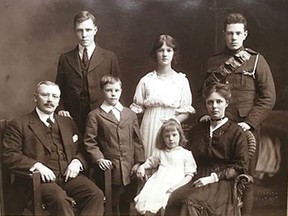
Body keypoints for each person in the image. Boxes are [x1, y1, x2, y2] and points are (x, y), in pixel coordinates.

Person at [197, 13, 276, 215]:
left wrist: (249, 123)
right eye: (230, 33)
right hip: (216, 129)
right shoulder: (212, 62)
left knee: (244, 178)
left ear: (245, 34)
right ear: (224, 34)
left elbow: (268, 97)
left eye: (238, 33)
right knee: (211, 174)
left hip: (244, 129)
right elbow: (201, 94)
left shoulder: (257, 61)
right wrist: (204, 116)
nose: (233, 37)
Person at [2, 81, 104, 216]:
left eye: (55, 96)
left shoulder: (67, 122)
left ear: (59, 100)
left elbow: (83, 148)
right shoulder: (19, 124)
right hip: (38, 180)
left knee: (95, 194)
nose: (50, 100)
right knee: (60, 200)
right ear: (35, 97)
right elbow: (9, 155)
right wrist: (37, 165)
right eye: (45, 95)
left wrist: (77, 162)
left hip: (67, 175)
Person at [165, 82, 249, 216]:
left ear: (226, 103)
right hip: (196, 178)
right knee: (174, 198)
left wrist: (213, 178)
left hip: (221, 183)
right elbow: (184, 154)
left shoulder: (236, 131)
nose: (214, 106)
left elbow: (240, 166)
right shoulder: (198, 129)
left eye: (219, 102)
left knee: (190, 202)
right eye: (210, 102)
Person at [83, 75, 145, 216]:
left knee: (127, 202)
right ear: (102, 91)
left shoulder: (130, 114)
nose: (113, 94)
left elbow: (137, 140)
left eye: (116, 90)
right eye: (108, 90)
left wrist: (138, 162)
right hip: (109, 170)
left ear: (121, 91)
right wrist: (99, 159)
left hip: (129, 168)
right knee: (110, 204)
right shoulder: (95, 115)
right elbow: (89, 142)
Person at [130, 34, 195, 159]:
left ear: (173, 53)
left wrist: (173, 121)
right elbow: (136, 111)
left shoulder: (181, 80)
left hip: (171, 129)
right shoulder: (146, 80)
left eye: (169, 50)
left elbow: (185, 112)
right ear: (155, 53)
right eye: (161, 50)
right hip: (149, 127)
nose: (165, 54)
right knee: (149, 160)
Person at [55, 10, 120, 134]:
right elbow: (59, 88)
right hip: (72, 119)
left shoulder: (109, 57)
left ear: (95, 30)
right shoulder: (65, 58)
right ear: (74, 30)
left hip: (102, 117)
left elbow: (117, 89)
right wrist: (61, 109)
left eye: (88, 30)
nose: (84, 35)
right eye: (80, 30)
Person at [134, 118, 197, 215]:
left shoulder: (186, 154)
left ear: (180, 136)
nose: (171, 139)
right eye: (167, 136)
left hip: (177, 182)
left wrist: (176, 186)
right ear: (162, 138)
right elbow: (150, 163)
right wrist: (142, 167)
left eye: (174, 135)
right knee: (148, 199)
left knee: (165, 202)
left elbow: (189, 175)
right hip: (158, 182)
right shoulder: (160, 152)